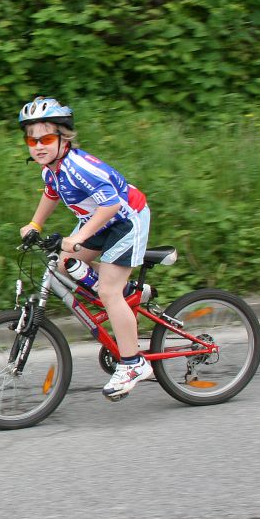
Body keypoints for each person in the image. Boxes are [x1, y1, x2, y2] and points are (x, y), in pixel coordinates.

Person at [17, 96, 152, 400]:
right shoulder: (51, 168)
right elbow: (51, 195)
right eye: (32, 139)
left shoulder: (78, 167)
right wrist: (35, 225)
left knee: (107, 291)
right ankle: (129, 292)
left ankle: (133, 363)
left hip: (126, 219)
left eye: (47, 138)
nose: (38, 145)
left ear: (63, 138)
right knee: (65, 263)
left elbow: (112, 205)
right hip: (100, 219)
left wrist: (78, 238)